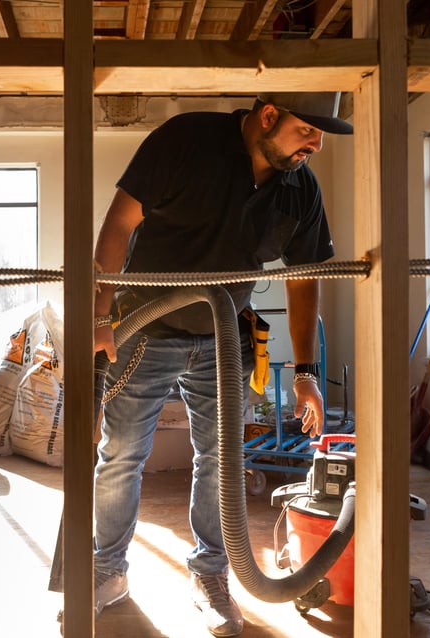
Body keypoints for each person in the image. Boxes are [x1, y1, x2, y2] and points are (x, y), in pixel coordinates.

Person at [91, 92, 353, 637]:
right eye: (307, 129)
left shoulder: (299, 186)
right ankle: (106, 571)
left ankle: (211, 574)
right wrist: (99, 317)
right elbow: (118, 224)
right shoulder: (186, 140)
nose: (316, 143)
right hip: (147, 327)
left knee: (222, 459)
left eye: (321, 134)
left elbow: (304, 277)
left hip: (222, 336)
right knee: (121, 456)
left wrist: (305, 374)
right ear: (267, 116)